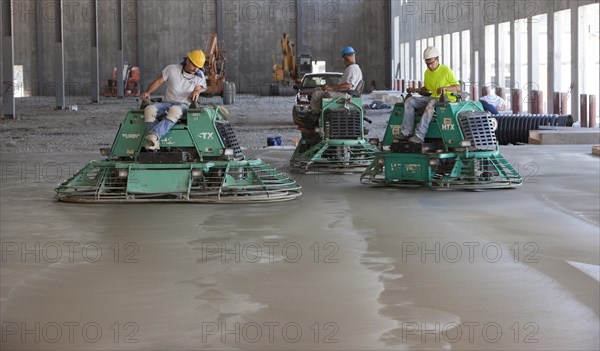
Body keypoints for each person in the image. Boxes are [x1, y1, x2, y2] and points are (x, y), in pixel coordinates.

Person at [141, 50, 207, 150]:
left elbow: (198, 88)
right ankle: (155, 143)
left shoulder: (199, 75)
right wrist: (148, 92)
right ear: (188, 61)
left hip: (184, 105)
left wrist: (196, 92)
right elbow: (159, 81)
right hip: (168, 102)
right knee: (149, 110)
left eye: (198, 66)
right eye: (194, 65)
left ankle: (153, 137)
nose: (196, 69)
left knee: (175, 110)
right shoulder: (172, 69)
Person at [398, 46, 460, 143]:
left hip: (445, 99)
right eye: (427, 64)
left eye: (431, 63)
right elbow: (426, 89)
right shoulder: (427, 73)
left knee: (431, 104)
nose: (430, 66)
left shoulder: (446, 70)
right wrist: (415, 89)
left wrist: (445, 88)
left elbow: (457, 87)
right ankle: (406, 132)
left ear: (437, 59)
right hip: (433, 97)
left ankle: (419, 135)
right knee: (410, 101)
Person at [300, 46, 363, 126]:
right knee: (317, 90)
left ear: (345, 58)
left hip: (345, 95)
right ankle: (315, 114)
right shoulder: (355, 68)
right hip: (344, 93)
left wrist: (331, 88)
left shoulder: (352, 69)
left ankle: (314, 117)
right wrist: (331, 87)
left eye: (344, 60)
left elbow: (348, 86)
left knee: (317, 94)